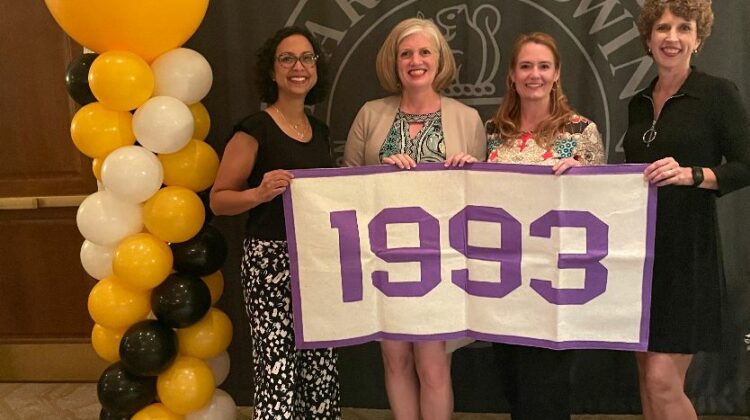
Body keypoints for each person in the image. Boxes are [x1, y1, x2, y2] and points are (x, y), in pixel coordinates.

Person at [343, 17, 486, 420]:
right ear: (395, 62)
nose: (415, 60)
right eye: (406, 53)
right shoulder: (370, 115)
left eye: (425, 52)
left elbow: (484, 195)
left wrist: (468, 169)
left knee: (433, 364)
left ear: (439, 61)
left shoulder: (466, 118)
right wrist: (378, 171)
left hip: (441, 264)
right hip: (382, 261)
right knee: (395, 361)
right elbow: (345, 186)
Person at [623, 1, 750, 419]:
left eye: (683, 28)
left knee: (662, 380)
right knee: (645, 379)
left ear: (698, 38)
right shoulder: (639, 102)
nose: (671, 37)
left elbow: (745, 166)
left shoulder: (718, 93)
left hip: (688, 257)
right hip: (640, 257)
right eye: (662, 28)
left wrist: (694, 174)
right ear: (648, 38)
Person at [209, 27, 341, 419]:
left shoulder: (320, 132)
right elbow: (218, 200)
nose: (298, 67)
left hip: (317, 262)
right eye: (287, 59)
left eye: (307, 58)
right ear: (272, 71)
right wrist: (258, 194)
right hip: (270, 263)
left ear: (316, 68)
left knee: (321, 367)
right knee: (277, 369)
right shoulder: (254, 129)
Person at [485, 32, 605, 420]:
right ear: (512, 75)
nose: (533, 74)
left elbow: (605, 204)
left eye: (543, 66)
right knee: (511, 384)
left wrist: (584, 176)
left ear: (557, 74)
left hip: (556, 281)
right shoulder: (494, 130)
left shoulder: (580, 131)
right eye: (525, 66)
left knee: (547, 390)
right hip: (505, 280)